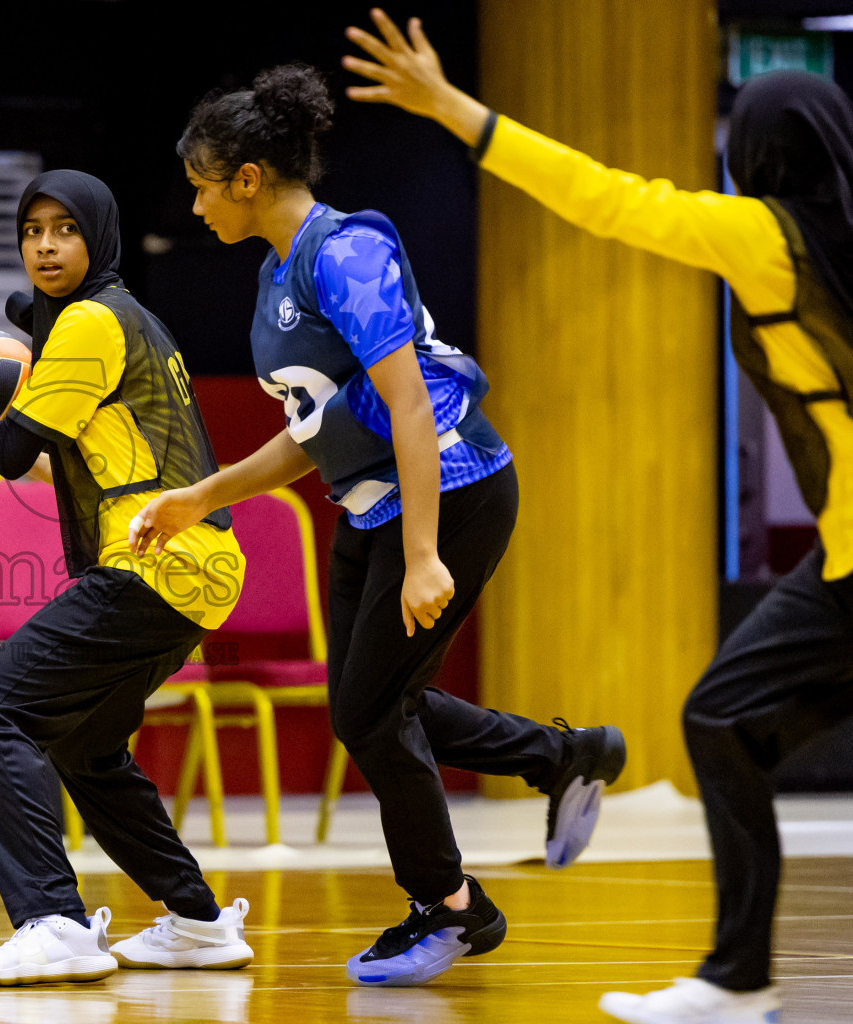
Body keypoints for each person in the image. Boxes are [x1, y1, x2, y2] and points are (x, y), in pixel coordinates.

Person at [342, 9, 853, 1022]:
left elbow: (610, 201)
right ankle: (736, 977)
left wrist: (453, 108)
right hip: (841, 559)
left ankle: (736, 979)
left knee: (721, 718)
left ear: (758, 155)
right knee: (730, 723)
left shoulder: (770, 237)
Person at [130, 63, 626, 988]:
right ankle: (568, 756)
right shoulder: (277, 272)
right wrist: (203, 496)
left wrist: (427, 555)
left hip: (454, 488)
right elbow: (316, 434)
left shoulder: (344, 252)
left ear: (246, 177)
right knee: (373, 702)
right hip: (369, 506)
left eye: (201, 185)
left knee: (366, 709)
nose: (194, 206)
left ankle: (450, 907)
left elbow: (406, 405)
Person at [0, 170, 253, 986]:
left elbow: (12, 452)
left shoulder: (92, 322)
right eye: (32, 231)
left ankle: (51, 920)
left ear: (98, 235)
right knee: (88, 744)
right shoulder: (127, 317)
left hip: (153, 563)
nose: (46, 246)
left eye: (64, 229)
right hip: (195, 567)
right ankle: (197, 921)